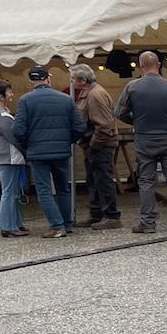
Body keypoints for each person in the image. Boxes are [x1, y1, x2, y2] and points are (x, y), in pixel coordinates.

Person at [114, 50, 167, 234]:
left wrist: (136, 120)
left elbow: (119, 112)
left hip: (145, 138)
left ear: (141, 66)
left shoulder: (132, 87)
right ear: (159, 65)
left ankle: (148, 222)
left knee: (146, 181)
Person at [12, 65, 85, 238]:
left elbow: (18, 130)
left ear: (31, 81)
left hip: (37, 152)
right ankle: (67, 224)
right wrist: (68, 141)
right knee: (63, 189)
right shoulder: (66, 99)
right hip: (61, 151)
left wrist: (27, 145)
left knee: (44, 190)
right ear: (48, 79)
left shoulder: (25, 100)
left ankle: (56, 226)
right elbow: (80, 127)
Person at [70, 64, 122, 230]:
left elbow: (104, 124)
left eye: (73, 78)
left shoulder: (95, 95)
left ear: (83, 80)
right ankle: (97, 213)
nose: (71, 81)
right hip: (94, 144)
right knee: (94, 180)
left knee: (103, 180)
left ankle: (111, 216)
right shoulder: (90, 92)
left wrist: (93, 144)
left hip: (100, 145)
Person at [0, 80, 27, 237]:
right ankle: (7, 226)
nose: (11, 94)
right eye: (9, 92)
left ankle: (16, 222)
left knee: (13, 192)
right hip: (8, 157)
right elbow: (14, 137)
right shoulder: (2, 116)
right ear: (1, 96)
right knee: (9, 192)